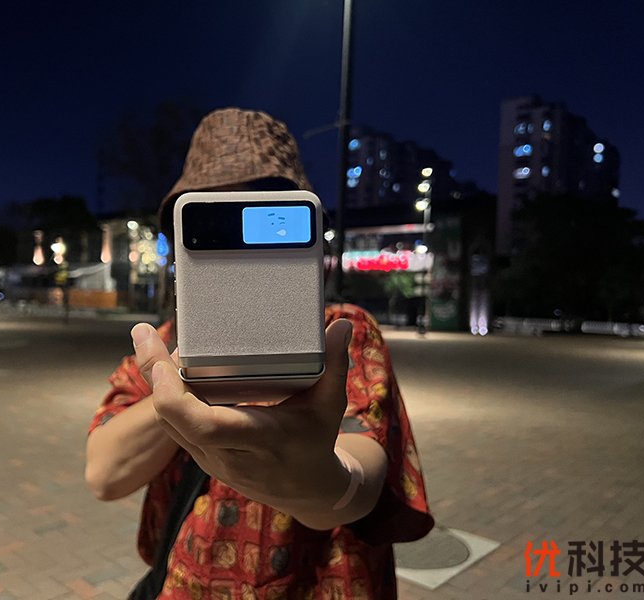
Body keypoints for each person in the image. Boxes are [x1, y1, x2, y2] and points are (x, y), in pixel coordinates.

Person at [85, 107, 434, 599]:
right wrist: (185, 381)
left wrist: (323, 483)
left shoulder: (340, 331)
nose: (237, 244)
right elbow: (104, 475)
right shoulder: (160, 347)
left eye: (262, 212)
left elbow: (363, 468)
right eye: (213, 219)